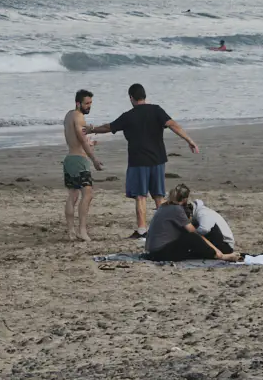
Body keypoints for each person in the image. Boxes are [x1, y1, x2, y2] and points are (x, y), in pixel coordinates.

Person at [87, 83, 199, 238]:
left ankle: (142, 230)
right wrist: (189, 140)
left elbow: (109, 127)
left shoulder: (128, 116)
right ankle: (163, 226)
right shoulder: (156, 110)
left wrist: (92, 129)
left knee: (141, 196)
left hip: (138, 160)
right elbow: (173, 125)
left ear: (131, 98)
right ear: (144, 96)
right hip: (158, 159)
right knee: (158, 195)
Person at [143, 184, 240, 262]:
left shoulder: (163, 206)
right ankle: (221, 256)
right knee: (191, 237)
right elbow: (195, 234)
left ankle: (216, 253)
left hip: (152, 251)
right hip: (160, 253)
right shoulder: (177, 209)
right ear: (185, 199)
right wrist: (217, 251)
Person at [61, 89, 103, 242]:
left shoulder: (68, 115)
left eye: (91, 103)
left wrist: (89, 142)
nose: (89, 106)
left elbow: (75, 139)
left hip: (69, 159)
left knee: (73, 194)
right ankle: (82, 230)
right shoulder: (79, 117)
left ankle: (71, 231)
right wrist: (94, 158)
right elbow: (81, 138)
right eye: (87, 103)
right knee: (88, 194)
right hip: (80, 160)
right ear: (78, 103)